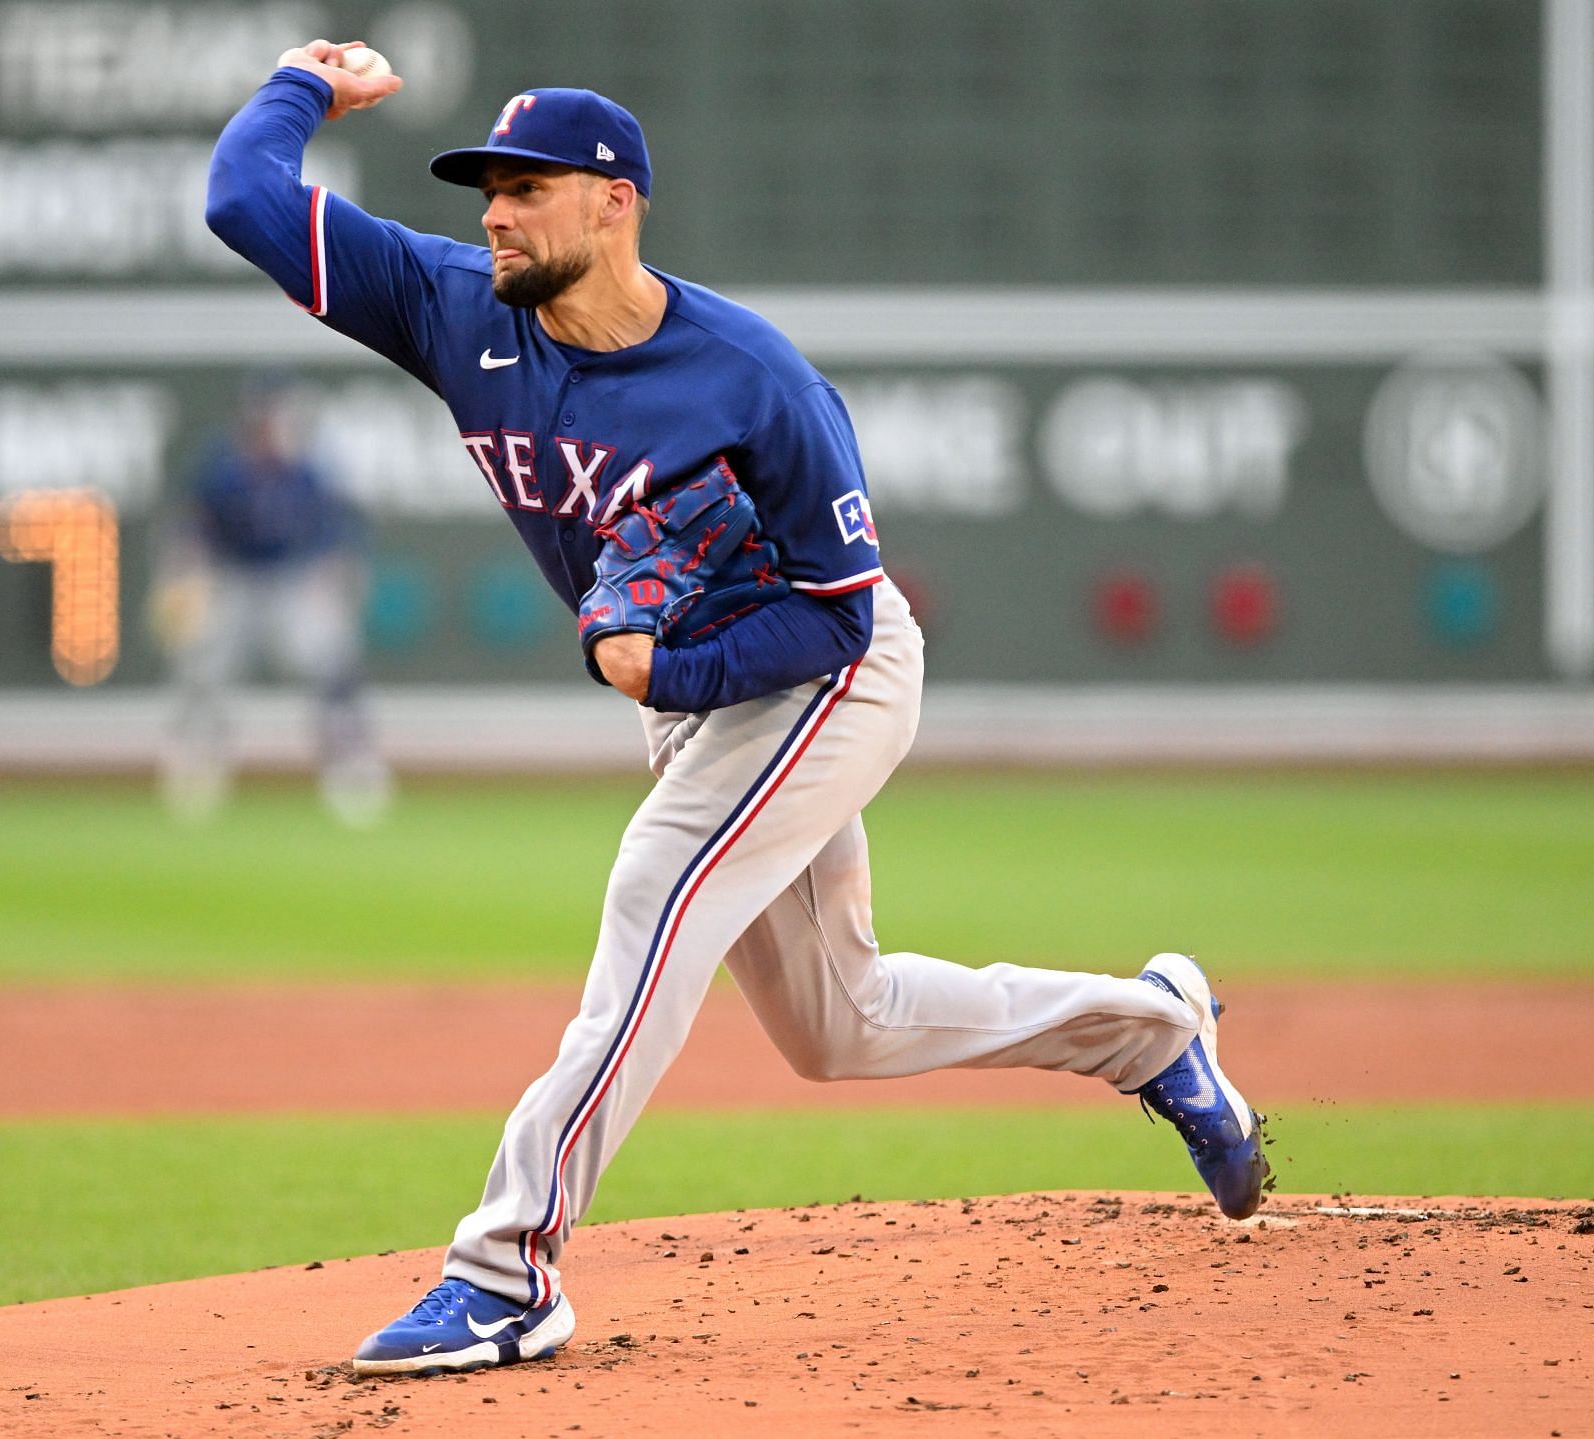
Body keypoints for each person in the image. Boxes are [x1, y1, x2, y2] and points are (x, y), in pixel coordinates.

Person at [206, 43, 1268, 1376]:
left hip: (828, 673)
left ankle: (506, 1268)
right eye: (487, 186)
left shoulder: (753, 379)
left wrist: (666, 673)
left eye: (526, 187)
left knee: (655, 889)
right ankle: (1157, 1028)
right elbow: (242, 201)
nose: (493, 211)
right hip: (699, 694)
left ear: (615, 203)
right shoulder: (451, 306)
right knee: (840, 1022)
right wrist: (305, 83)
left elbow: (836, 609)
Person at [150, 371, 390, 824]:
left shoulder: (310, 468)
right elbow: (192, 527)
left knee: (332, 657)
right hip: (233, 578)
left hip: (291, 579)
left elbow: (338, 533)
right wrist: (184, 570)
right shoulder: (222, 466)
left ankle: (349, 764)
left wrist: (336, 570)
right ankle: (197, 764)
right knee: (202, 666)